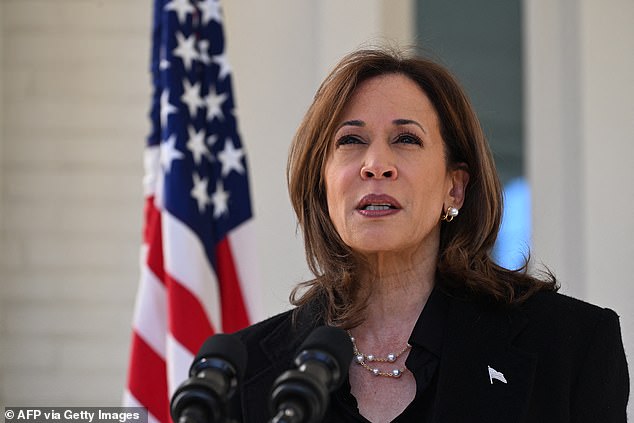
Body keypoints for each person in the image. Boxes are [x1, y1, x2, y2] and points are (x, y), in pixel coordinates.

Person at [229, 47, 629, 422]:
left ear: (454, 188)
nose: (376, 165)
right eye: (351, 140)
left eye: (406, 139)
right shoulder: (245, 370)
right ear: (323, 185)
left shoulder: (570, 347)